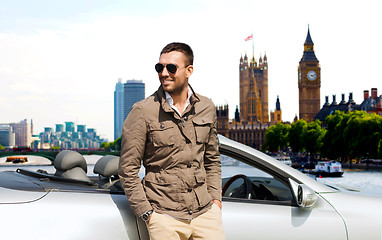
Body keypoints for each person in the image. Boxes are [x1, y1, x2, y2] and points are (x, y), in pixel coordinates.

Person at [118, 42, 225, 240]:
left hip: (205, 213)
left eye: (171, 68)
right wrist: (149, 214)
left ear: (189, 70)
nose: (164, 73)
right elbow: (128, 170)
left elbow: (212, 160)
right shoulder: (142, 111)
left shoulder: (206, 107)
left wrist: (216, 201)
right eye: (160, 67)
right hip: (164, 216)